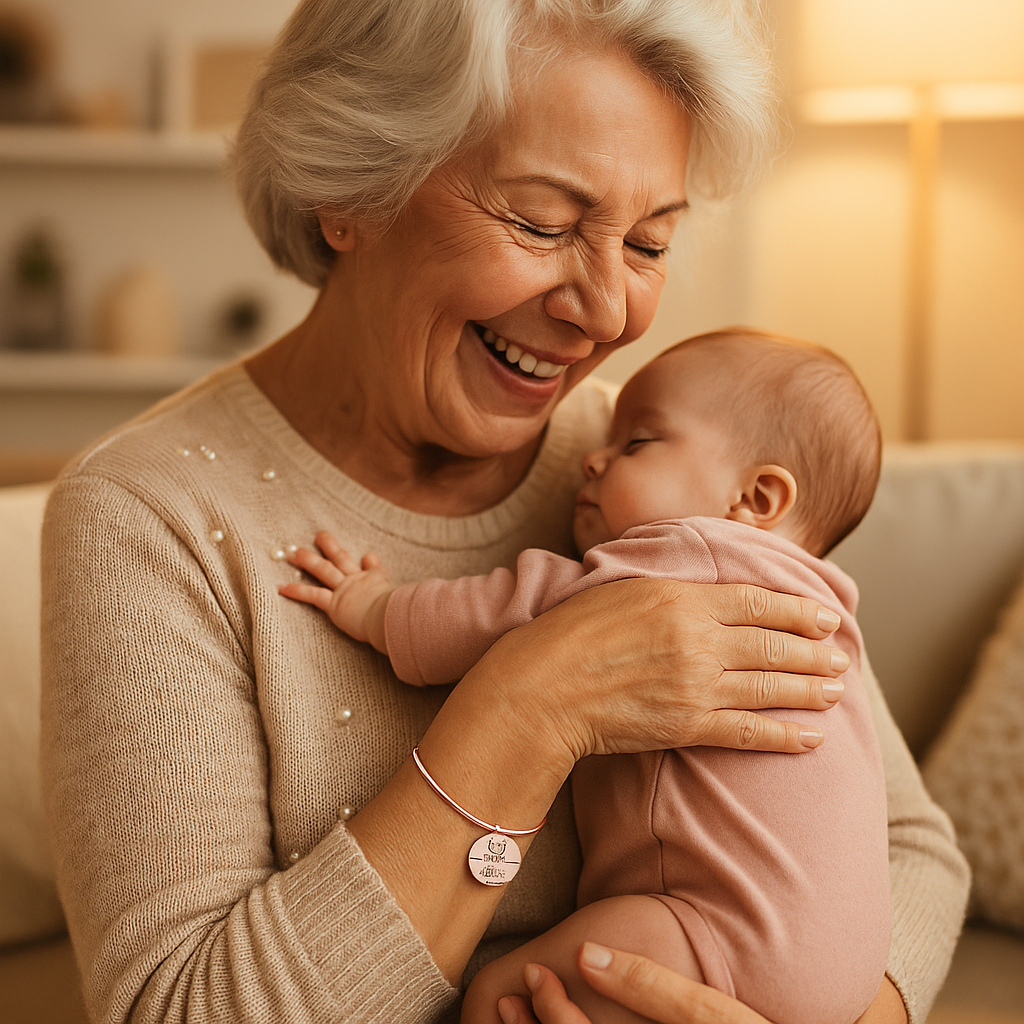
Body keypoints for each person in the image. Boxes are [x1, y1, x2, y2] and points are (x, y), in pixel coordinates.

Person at [38, 3, 968, 1024]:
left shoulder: (653, 483)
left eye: (651, 241)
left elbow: (908, 844)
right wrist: (529, 708)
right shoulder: (149, 516)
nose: (609, 312)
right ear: (347, 189)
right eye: (541, 223)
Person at [279, 329, 891, 1024]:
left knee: (503, 998)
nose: (593, 460)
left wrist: (378, 608)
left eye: (637, 444)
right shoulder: (828, 612)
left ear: (753, 498)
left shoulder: (691, 552)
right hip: (853, 972)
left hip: (721, 932)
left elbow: (511, 608)